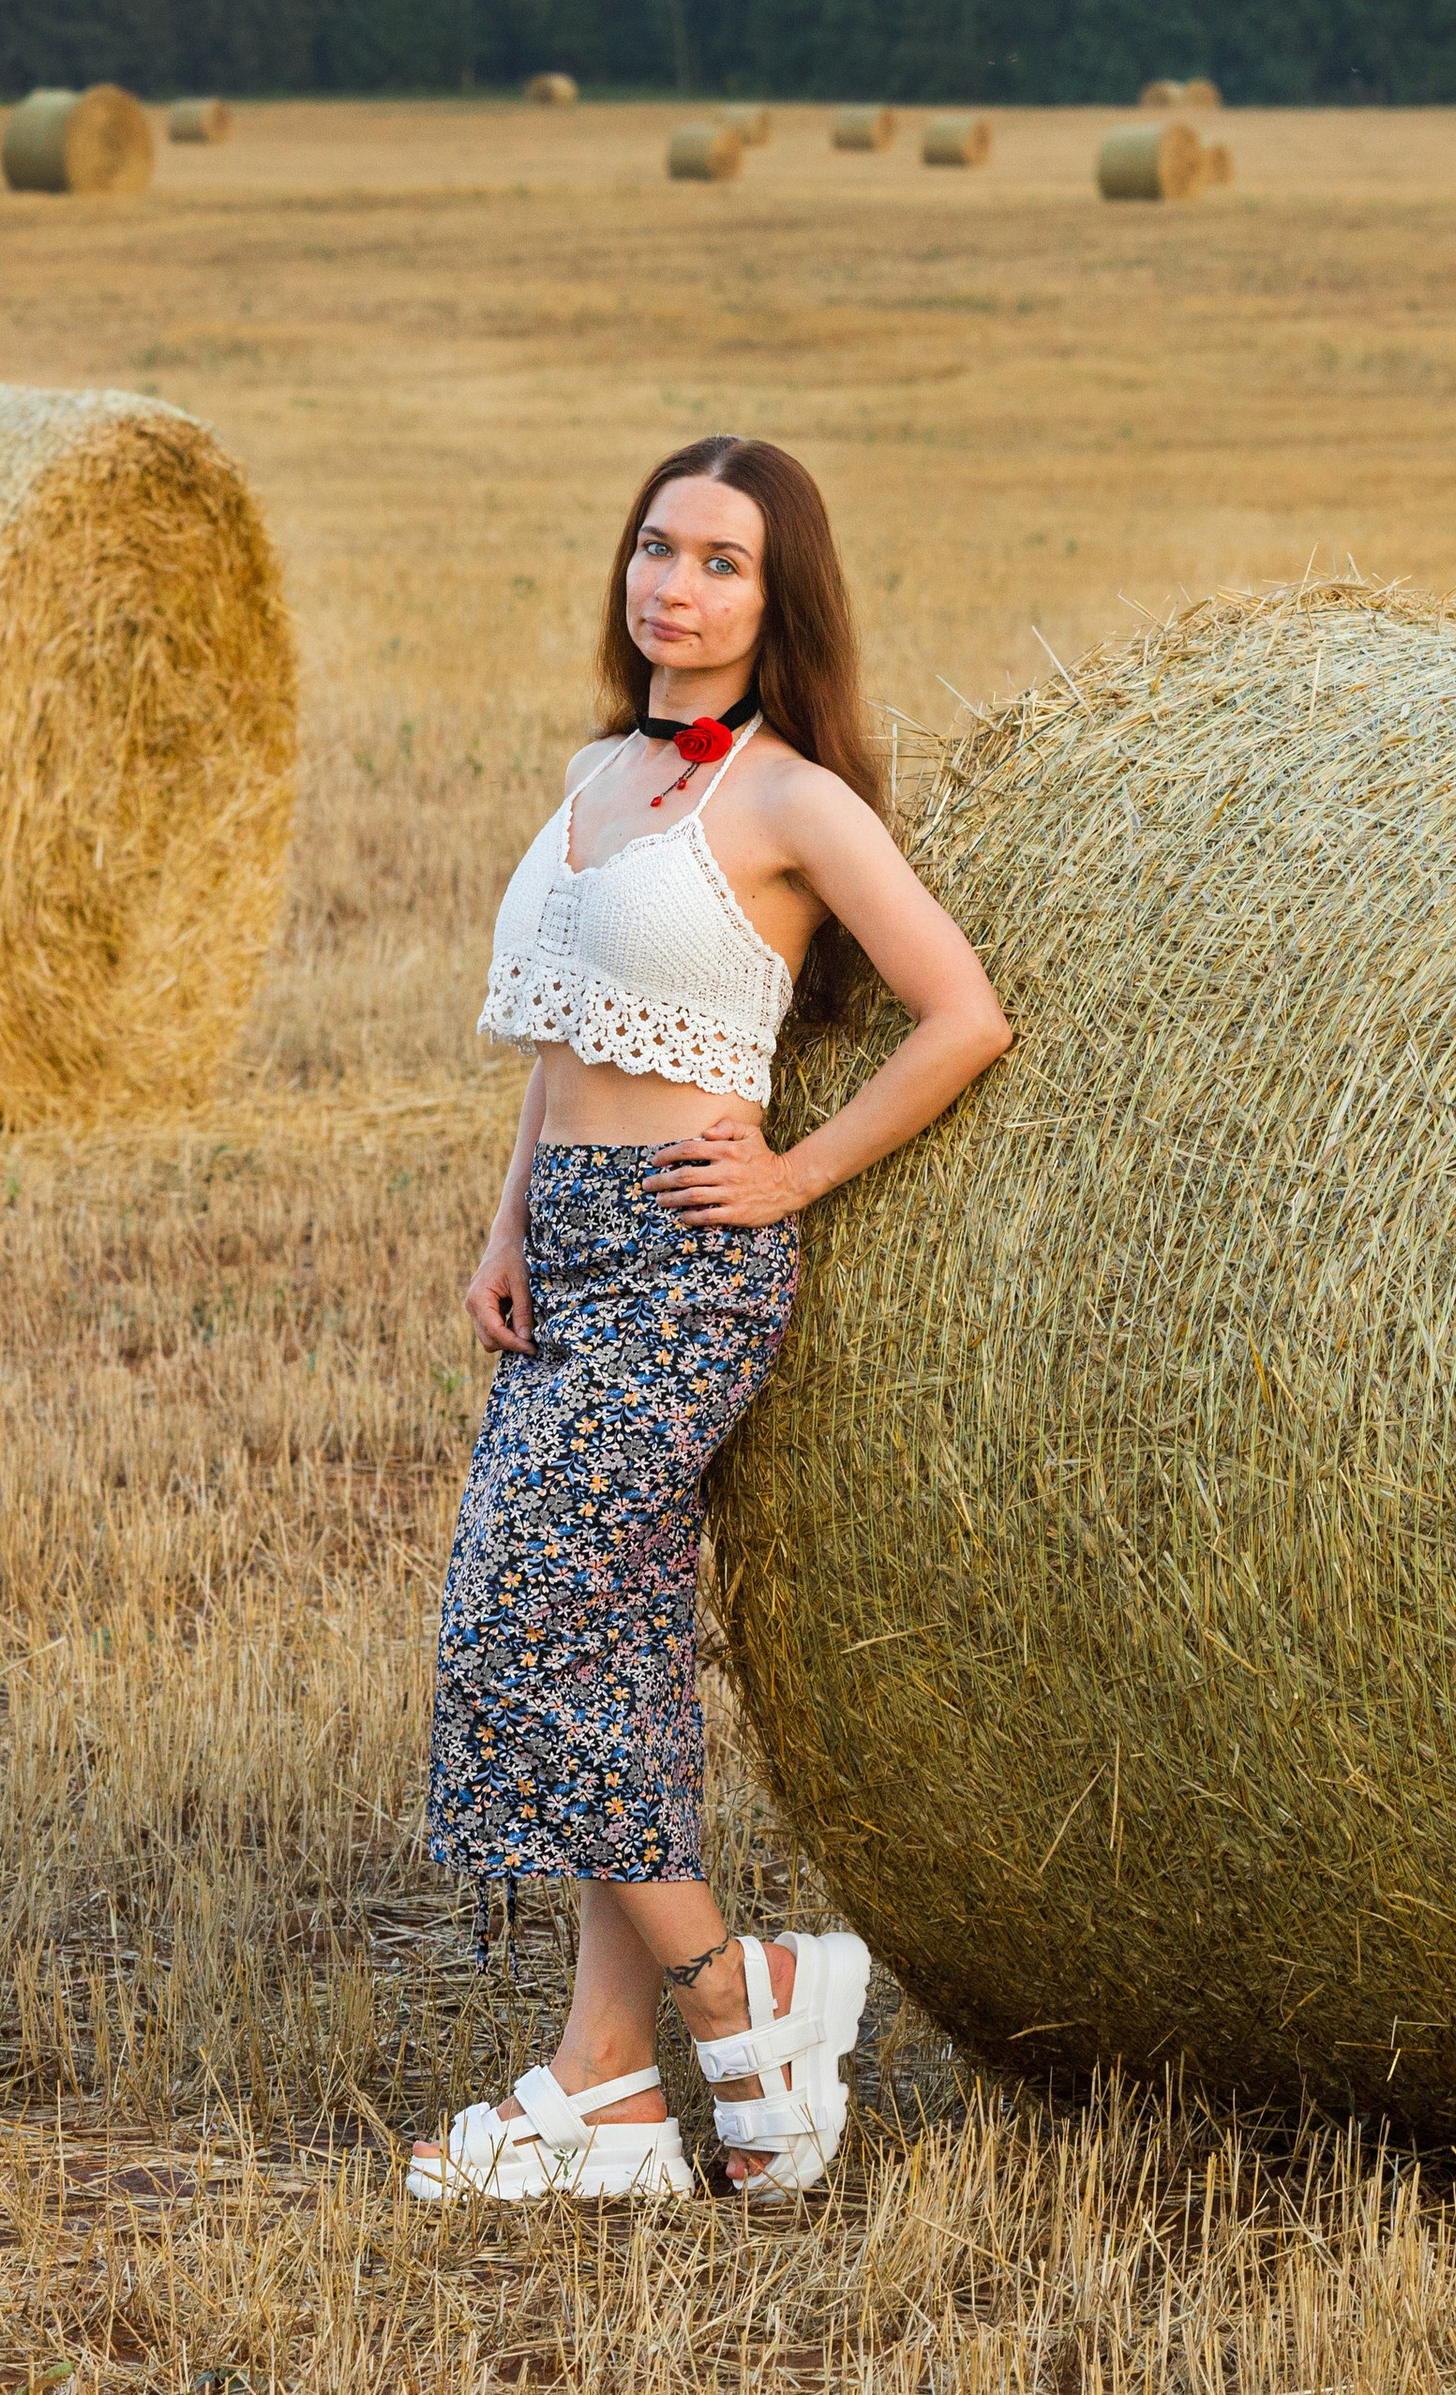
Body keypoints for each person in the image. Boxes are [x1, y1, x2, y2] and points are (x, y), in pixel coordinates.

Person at [407, 436, 1011, 2202]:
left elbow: (962, 1014)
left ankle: (744, 1997)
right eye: (656, 548)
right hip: (567, 1255)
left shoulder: (792, 802)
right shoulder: (596, 773)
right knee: (609, 1659)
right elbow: (563, 1038)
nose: (673, 585)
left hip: (686, 1262)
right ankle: (607, 2094)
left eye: (720, 562)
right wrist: (509, 1224)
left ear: (777, 597)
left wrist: (795, 1174)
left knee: (511, 1626)